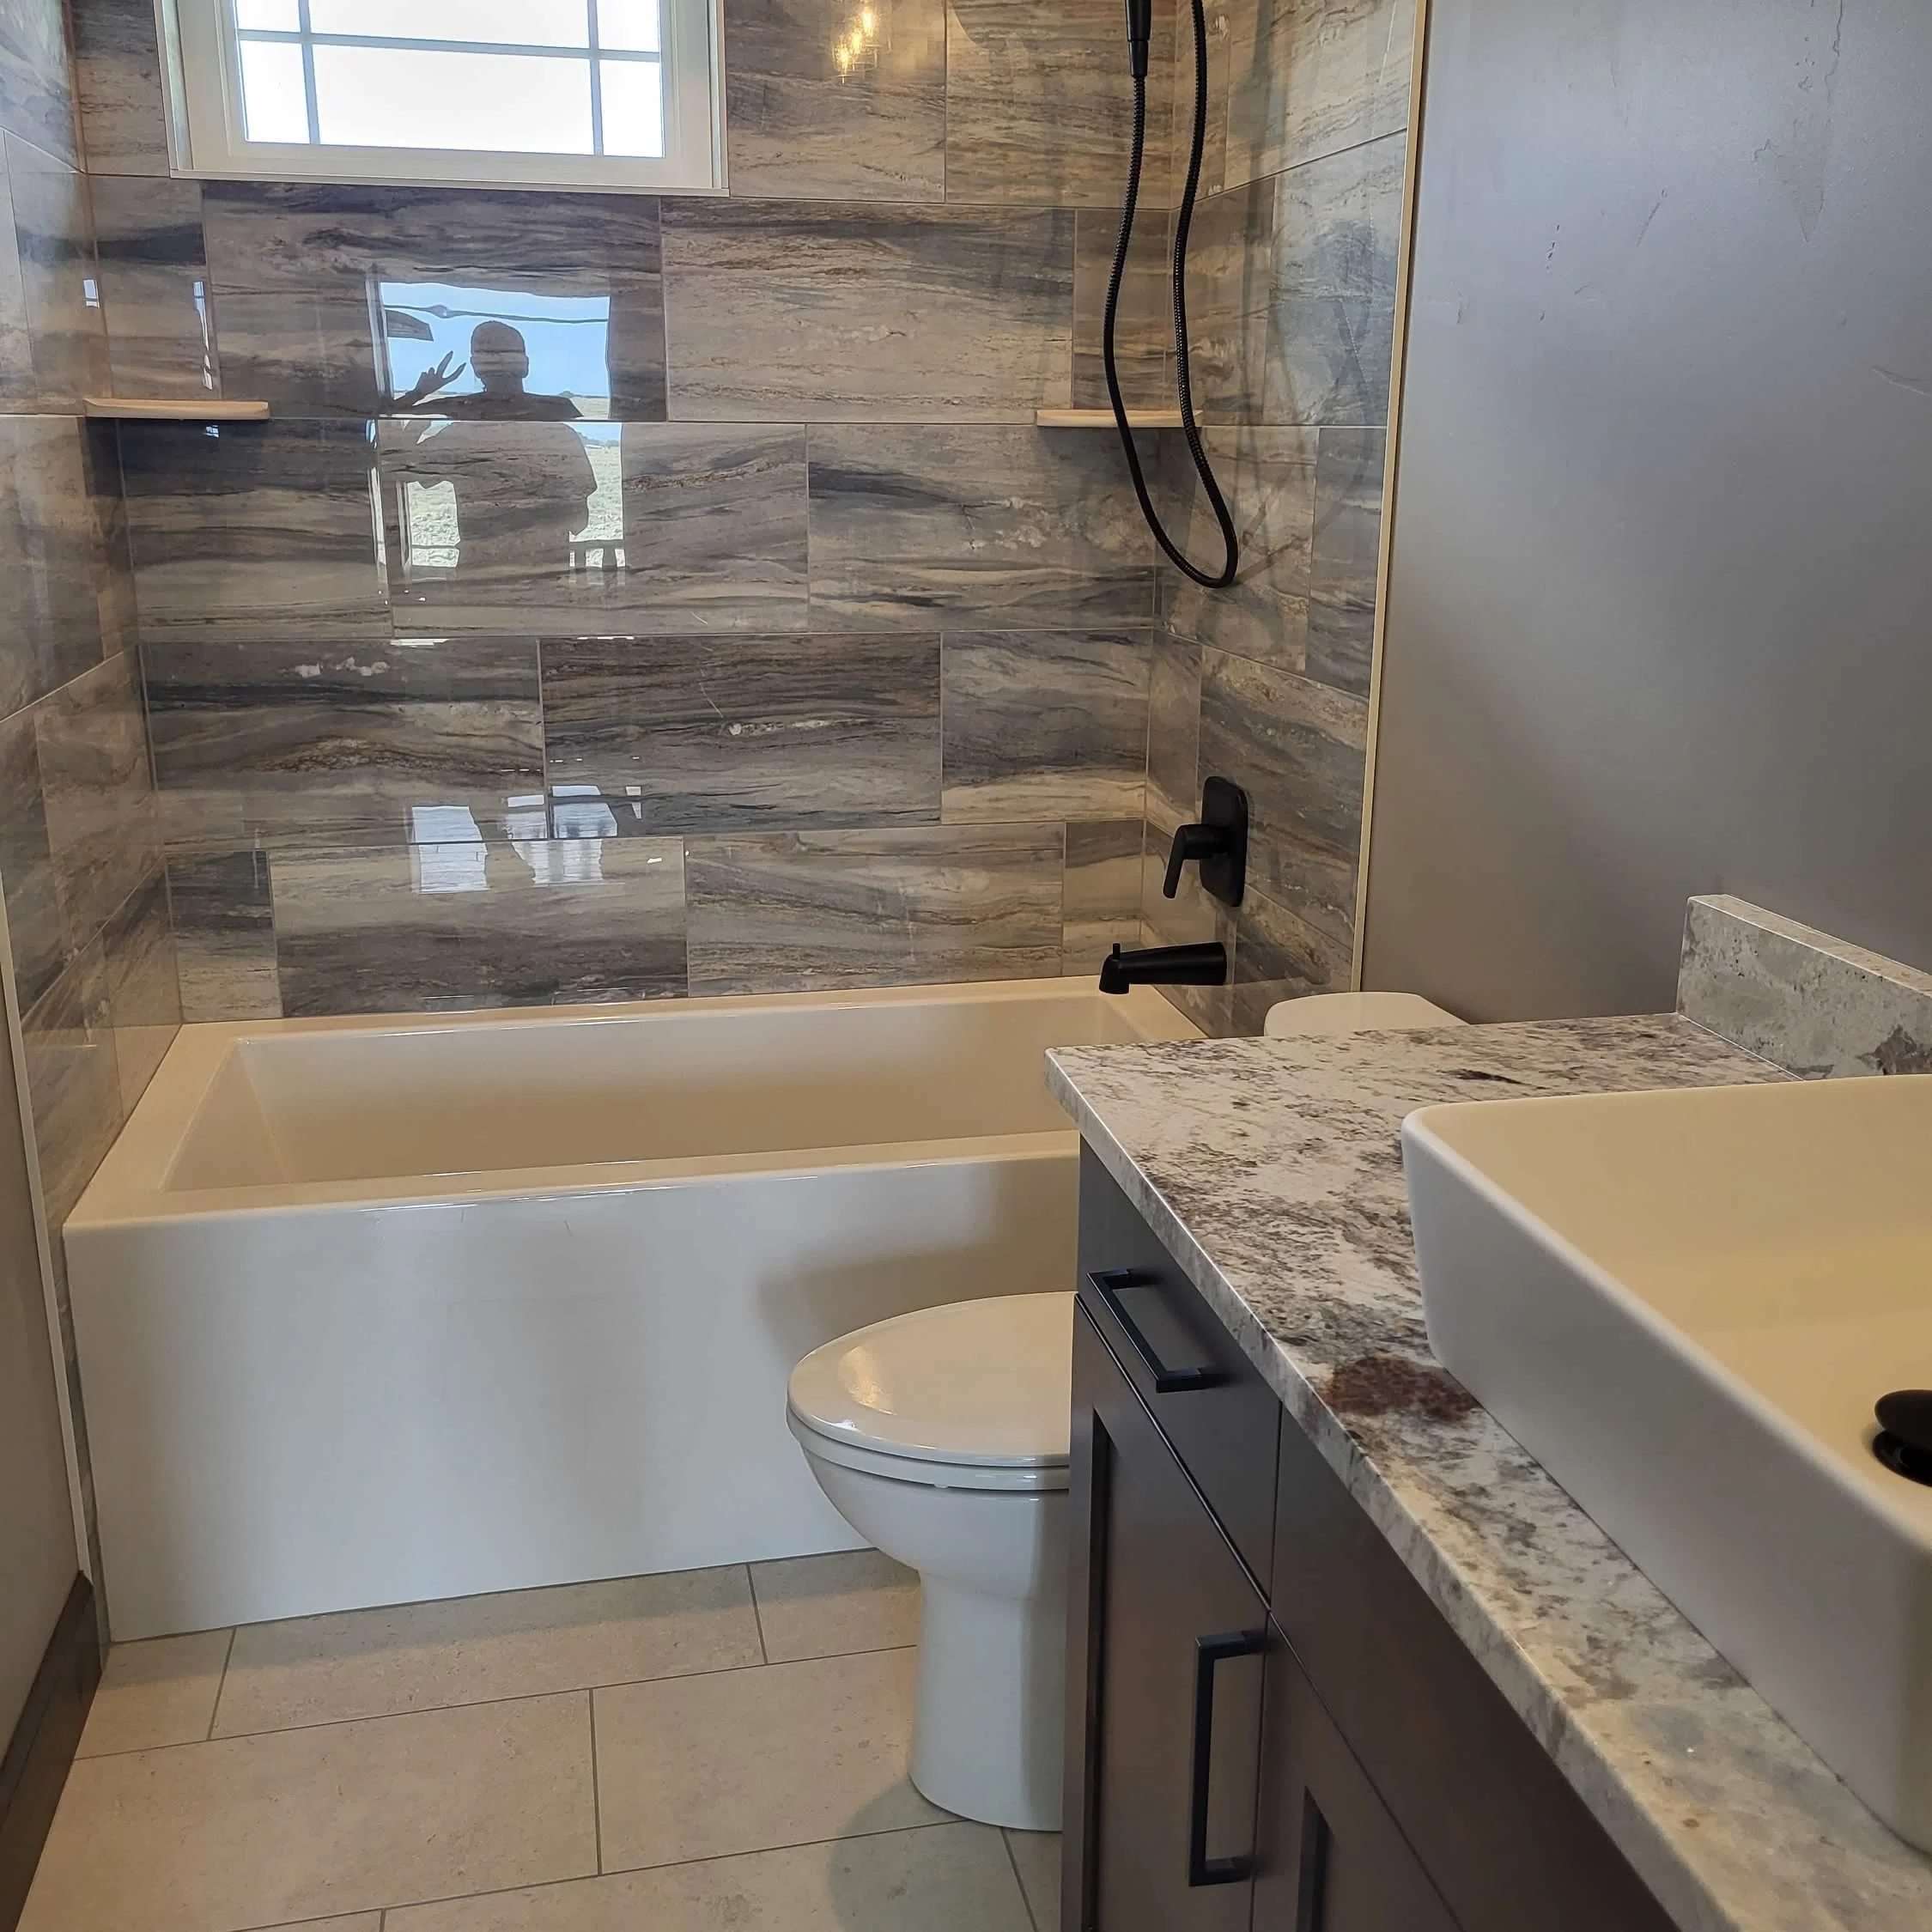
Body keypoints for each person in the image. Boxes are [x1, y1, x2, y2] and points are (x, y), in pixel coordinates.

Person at [393, 321, 598, 580]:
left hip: (481, 578)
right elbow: (579, 520)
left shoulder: (461, 435)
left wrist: (416, 397)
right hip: (545, 578)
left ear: (476, 368)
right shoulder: (561, 435)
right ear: (525, 365)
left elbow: (397, 468)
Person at [394, 319, 583, 421]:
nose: (498, 362)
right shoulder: (557, 407)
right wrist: (418, 393)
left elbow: (389, 417)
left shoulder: (458, 407)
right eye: (489, 355)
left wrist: (418, 394)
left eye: (505, 354)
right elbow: (388, 419)